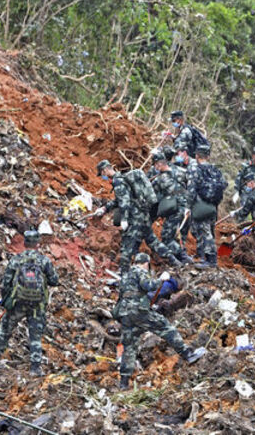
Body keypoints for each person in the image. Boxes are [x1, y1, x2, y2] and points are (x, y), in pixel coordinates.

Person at [114, 253, 206, 389]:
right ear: (145, 263)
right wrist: (161, 279)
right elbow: (148, 285)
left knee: (129, 347)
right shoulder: (140, 271)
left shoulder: (126, 275)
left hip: (125, 314)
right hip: (139, 312)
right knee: (166, 328)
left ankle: (123, 383)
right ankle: (187, 354)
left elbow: (123, 295)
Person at [0, 231, 59, 377]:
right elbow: (54, 281)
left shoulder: (16, 260)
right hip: (37, 305)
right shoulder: (44, 261)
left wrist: (6, 300)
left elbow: (6, 283)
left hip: (17, 303)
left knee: (5, 329)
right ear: (38, 244)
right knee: (35, 335)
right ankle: (35, 368)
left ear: (24, 243)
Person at [95, 160, 173, 271]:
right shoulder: (123, 178)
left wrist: (125, 219)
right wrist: (105, 208)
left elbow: (124, 202)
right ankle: (176, 261)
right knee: (153, 241)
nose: (103, 176)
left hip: (135, 218)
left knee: (126, 246)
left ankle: (124, 274)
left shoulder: (118, 182)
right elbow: (119, 200)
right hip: (144, 215)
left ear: (105, 170)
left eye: (102, 174)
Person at [187, 145, 227, 269]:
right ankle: (203, 256)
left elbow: (191, 189)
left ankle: (211, 260)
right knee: (210, 230)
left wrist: (188, 206)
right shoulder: (215, 170)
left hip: (201, 205)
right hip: (213, 206)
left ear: (196, 156)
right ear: (208, 156)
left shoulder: (196, 170)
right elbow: (224, 184)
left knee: (204, 232)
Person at [149, 151, 192, 265]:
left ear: (158, 164)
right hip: (187, 209)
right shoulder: (180, 171)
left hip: (176, 211)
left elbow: (149, 194)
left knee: (167, 238)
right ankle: (183, 258)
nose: (155, 167)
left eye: (155, 165)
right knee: (179, 236)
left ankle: (183, 259)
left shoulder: (159, 179)